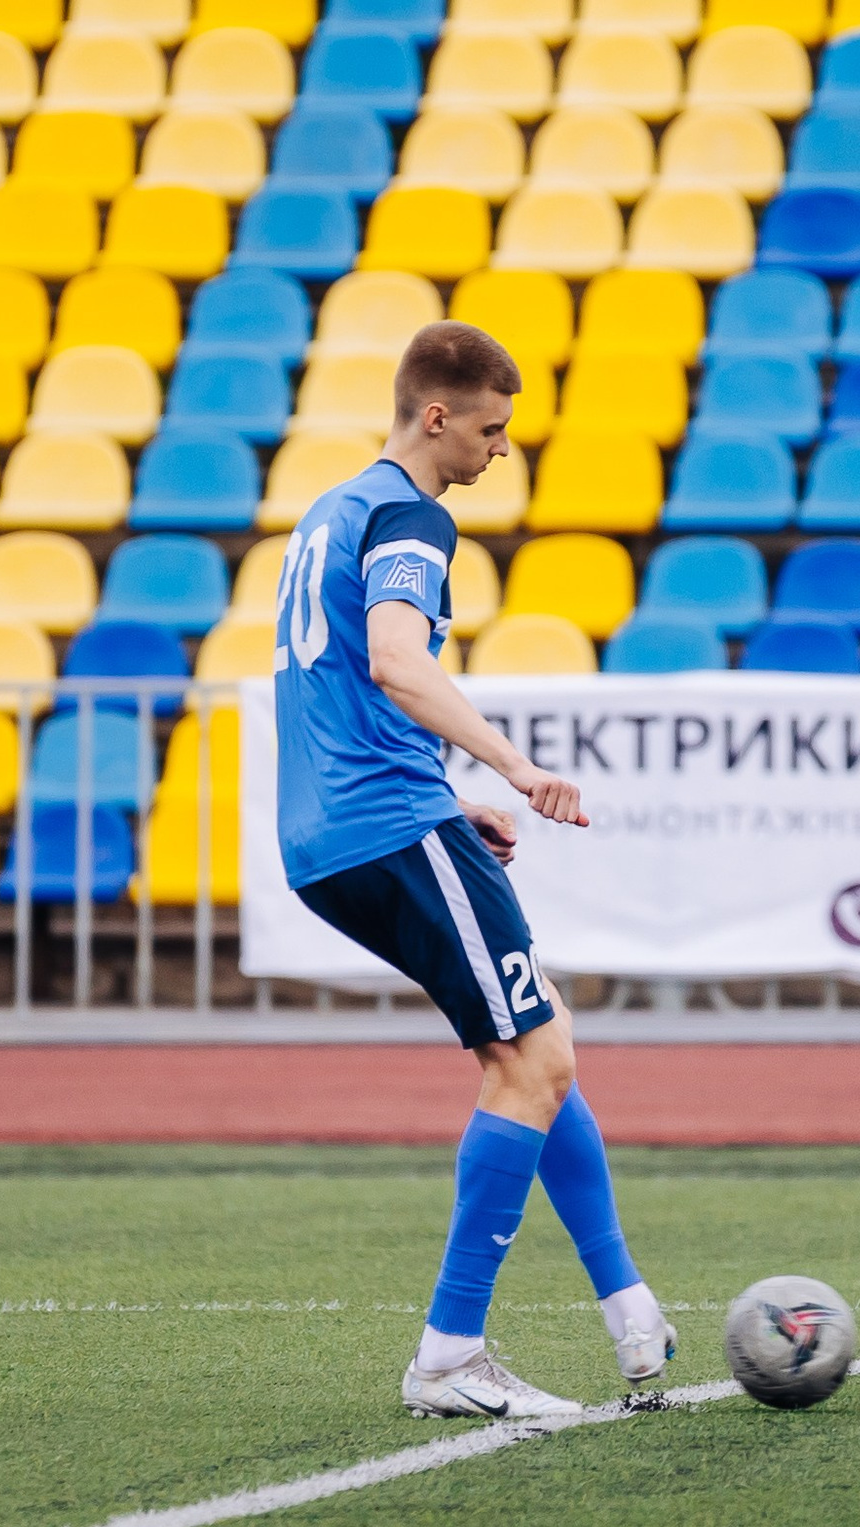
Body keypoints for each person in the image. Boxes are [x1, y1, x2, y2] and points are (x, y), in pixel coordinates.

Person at [274, 322, 672, 1420]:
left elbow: (339, 689)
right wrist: (513, 763)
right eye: (491, 430)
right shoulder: (410, 515)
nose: (501, 452)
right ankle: (450, 1352)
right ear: (436, 414)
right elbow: (397, 662)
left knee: (535, 1050)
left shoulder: (329, 510)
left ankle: (628, 1305)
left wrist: (454, 802)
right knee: (533, 1059)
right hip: (382, 823)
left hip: (347, 827)